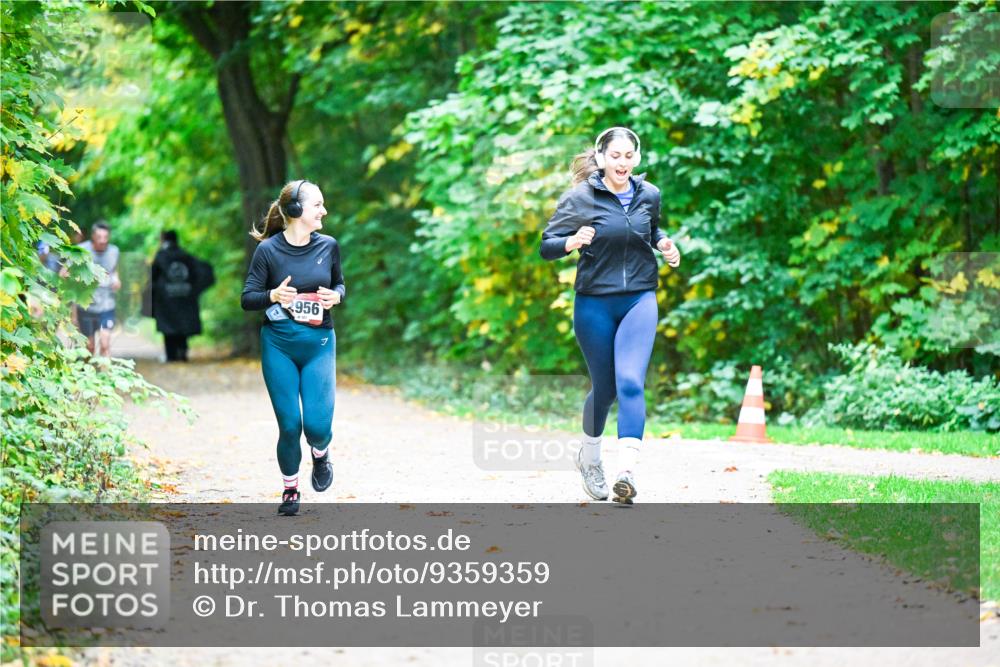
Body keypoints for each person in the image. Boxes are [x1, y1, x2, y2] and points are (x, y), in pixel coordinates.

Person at [540, 127, 682, 504]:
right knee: (606, 389)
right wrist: (570, 242)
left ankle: (627, 472)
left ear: (636, 158)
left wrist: (664, 243)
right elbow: (547, 246)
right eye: (615, 156)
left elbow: (650, 230)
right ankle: (589, 458)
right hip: (594, 303)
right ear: (601, 159)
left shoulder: (648, 195)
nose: (622, 162)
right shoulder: (579, 198)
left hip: (639, 298)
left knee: (632, 381)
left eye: (628, 155)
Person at [241, 180, 345, 516]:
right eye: (318, 205)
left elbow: (339, 283)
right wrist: (272, 295)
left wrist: (337, 296)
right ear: (297, 211)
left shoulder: (328, 246)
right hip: (279, 346)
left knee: (316, 427)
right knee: (289, 425)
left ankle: (320, 453)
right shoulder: (268, 251)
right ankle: (290, 489)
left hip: (319, 344)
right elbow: (247, 299)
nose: (324, 211)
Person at [151, 230, 215, 362]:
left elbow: (152, 277)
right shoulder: (185, 255)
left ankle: (171, 356)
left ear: (163, 239)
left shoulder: (160, 256)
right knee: (183, 325)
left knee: (168, 327)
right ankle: (182, 352)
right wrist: (193, 289)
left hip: (166, 299)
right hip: (185, 297)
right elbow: (200, 272)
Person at [76, 222, 121, 357]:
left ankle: (106, 377)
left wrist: (117, 280)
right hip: (86, 306)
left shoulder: (114, 251)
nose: (103, 240)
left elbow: (114, 271)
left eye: (105, 237)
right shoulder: (81, 250)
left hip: (107, 305)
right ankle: (88, 376)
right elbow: (64, 273)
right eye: (99, 237)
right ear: (93, 237)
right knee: (88, 348)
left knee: (105, 345)